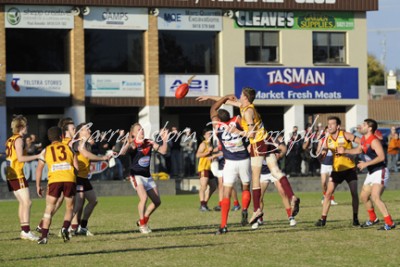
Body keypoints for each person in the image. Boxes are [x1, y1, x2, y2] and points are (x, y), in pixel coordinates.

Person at [198, 88, 300, 226]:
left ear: (245, 97)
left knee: (256, 179)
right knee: (276, 171)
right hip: (267, 140)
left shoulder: (247, 112)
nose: (239, 96)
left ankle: (257, 210)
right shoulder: (245, 106)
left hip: (258, 144)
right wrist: (209, 97)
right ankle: (292, 196)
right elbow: (226, 101)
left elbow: (251, 134)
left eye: (241, 95)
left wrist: (237, 131)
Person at [199, 95, 252, 234]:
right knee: (246, 187)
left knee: (226, 193)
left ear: (218, 119)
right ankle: (245, 209)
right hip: (244, 160)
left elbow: (213, 108)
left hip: (229, 162)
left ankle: (223, 225)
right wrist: (234, 100)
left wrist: (225, 97)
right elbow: (244, 112)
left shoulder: (217, 126)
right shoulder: (238, 120)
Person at [338, 119, 395, 230]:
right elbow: (358, 150)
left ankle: (390, 223)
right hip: (371, 172)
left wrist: (366, 163)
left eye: (364, 124)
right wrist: (345, 151)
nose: (361, 126)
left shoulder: (374, 141)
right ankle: (373, 219)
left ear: (370, 128)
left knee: (375, 197)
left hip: (380, 171)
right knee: (364, 197)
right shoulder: (364, 139)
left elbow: (382, 157)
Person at [122, 123, 169, 234]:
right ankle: (143, 225)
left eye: (142, 129)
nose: (141, 131)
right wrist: (128, 142)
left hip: (147, 176)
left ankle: (142, 220)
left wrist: (164, 139)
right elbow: (123, 153)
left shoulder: (149, 142)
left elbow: (163, 151)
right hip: (136, 175)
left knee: (157, 201)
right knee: (144, 198)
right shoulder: (133, 144)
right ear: (133, 133)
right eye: (138, 130)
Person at [35, 126, 78, 244]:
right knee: (69, 207)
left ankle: (44, 236)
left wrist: (38, 185)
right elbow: (76, 168)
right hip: (69, 179)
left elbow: (39, 169)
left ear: (49, 138)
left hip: (54, 180)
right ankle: (65, 228)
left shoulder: (46, 150)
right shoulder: (69, 148)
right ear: (62, 136)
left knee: (49, 208)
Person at [315, 116, 360, 227]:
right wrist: (321, 155)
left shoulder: (345, 135)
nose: (329, 126)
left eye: (332, 124)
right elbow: (320, 154)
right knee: (328, 193)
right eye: (328, 124)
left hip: (350, 169)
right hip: (336, 170)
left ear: (338, 126)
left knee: (354, 193)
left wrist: (349, 152)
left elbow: (362, 143)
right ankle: (323, 219)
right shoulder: (327, 139)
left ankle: (355, 218)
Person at [70, 123, 111, 236]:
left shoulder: (85, 143)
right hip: (77, 177)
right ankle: (66, 227)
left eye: (89, 129)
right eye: (85, 130)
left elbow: (88, 155)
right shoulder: (77, 142)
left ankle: (82, 226)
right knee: (78, 204)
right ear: (79, 133)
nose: (89, 131)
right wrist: (102, 158)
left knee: (93, 201)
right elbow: (86, 154)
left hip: (84, 177)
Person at [5, 115, 40, 241]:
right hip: (17, 174)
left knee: (23, 202)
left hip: (10, 173)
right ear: (21, 127)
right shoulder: (19, 139)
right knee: (27, 202)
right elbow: (20, 158)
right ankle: (26, 231)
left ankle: (23, 230)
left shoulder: (10, 139)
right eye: (26, 125)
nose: (28, 128)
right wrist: (37, 156)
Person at [253, 132, 297, 229]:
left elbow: (284, 148)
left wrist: (279, 155)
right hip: (263, 173)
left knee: (283, 193)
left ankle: (291, 217)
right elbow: (248, 150)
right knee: (259, 196)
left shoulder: (271, 139)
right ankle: (258, 219)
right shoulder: (254, 141)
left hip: (274, 171)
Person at [196, 128, 217, 211]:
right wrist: (207, 152)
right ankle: (202, 205)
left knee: (213, 186)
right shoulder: (203, 144)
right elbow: (198, 155)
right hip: (203, 167)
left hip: (209, 168)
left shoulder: (210, 144)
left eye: (210, 134)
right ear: (204, 136)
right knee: (203, 186)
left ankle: (205, 203)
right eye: (208, 134)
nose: (209, 135)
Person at [316, 126, 338, 206]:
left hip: (332, 164)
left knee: (331, 182)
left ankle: (331, 198)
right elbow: (317, 151)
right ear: (325, 132)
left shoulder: (334, 140)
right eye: (326, 131)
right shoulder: (321, 141)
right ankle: (324, 196)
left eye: (329, 130)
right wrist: (319, 153)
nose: (328, 132)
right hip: (324, 164)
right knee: (323, 182)